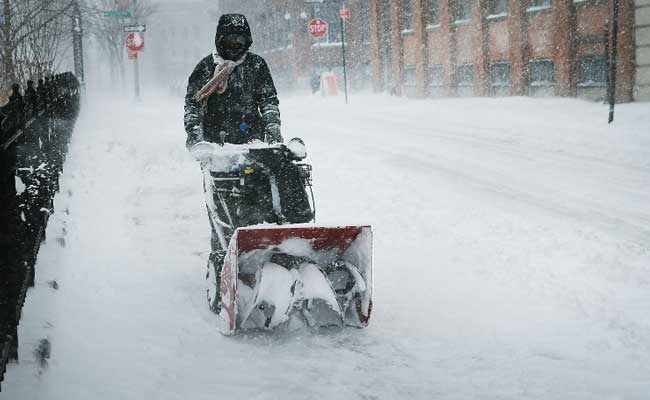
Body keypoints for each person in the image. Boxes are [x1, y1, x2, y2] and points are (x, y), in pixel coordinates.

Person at [184, 13, 281, 148]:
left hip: (252, 140)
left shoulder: (256, 64)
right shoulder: (206, 67)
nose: (234, 45)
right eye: (230, 41)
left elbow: (268, 101)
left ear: (246, 41)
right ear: (220, 41)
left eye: (239, 41)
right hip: (215, 143)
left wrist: (273, 128)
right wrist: (195, 135)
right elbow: (193, 105)